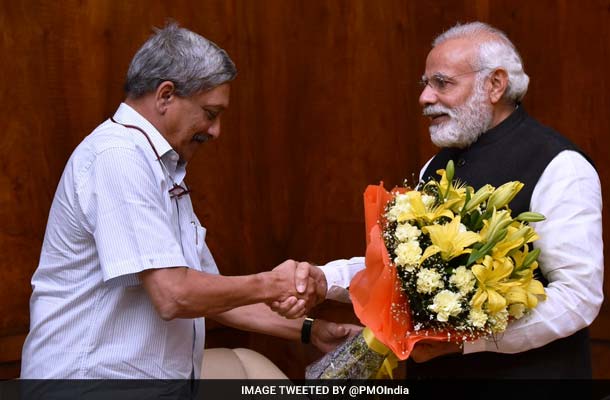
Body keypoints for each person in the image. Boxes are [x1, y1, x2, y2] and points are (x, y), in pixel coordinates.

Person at [20, 23, 357, 379]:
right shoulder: (118, 157)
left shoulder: (158, 164)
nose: (215, 131)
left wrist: (311, 330)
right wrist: (274, 283)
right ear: (165, 95)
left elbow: (212, 295)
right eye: (210, 113)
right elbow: (174, 295)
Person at [317, 21, 604, 378]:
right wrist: (320, 280)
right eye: (426, 84)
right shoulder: (437, 166)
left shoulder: (560, 166)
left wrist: (467, 343)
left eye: (442, 83)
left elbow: (578, 298)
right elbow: (397, 271)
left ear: (495, 84)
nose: (425, 97)